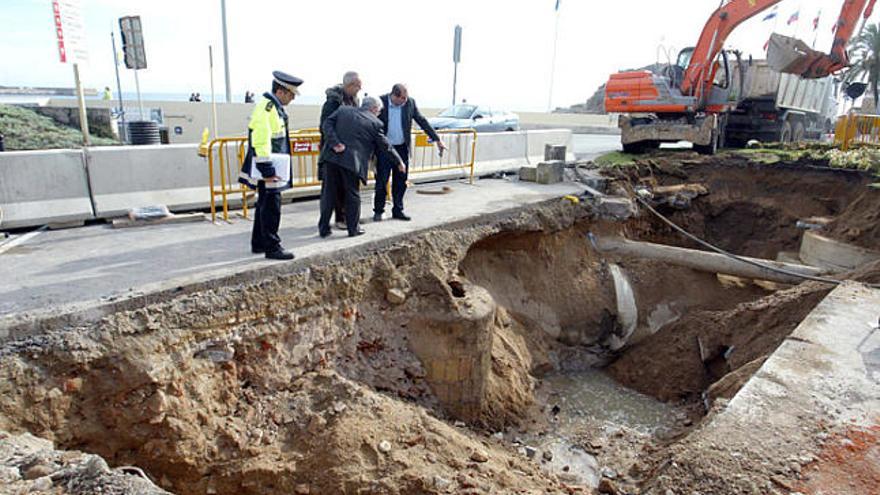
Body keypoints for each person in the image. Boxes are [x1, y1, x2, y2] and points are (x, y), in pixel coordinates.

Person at [238, 70, 303, 260]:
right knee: (271, 207)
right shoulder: (266, 108)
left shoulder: (272, 108)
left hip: (272, 165)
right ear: (281, 91)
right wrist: (267, 170)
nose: (292, 98)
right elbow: (261, 140)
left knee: (263, 205)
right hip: (269, 167)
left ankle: (259, 242)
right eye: (291, 94)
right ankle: (272, 247)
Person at [318, 96, 404, 238]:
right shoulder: (375, 123)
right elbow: (386, 146)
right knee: (352, 195)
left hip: (331, 158)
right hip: (352, 163)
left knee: (329, 194)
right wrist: (399, 161)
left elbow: (326, 124)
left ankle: (324, 228)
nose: (379, 114)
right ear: (374, 109)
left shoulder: (343, 110)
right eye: (379, 111)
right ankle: (353, 229)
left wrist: (335, 143)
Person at [375, 83, 447, 221]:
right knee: (382, 181)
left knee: (401, 181)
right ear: (394, 95)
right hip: (384, 149)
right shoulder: (380, 102)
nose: (405, 101)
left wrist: (437, 139)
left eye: (406, 97)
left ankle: (398, 210)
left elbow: (421, 120)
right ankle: (379, 210)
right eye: (402, 98)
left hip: (402, 148)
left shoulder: (410, 103)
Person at [320, 71, 362, 230]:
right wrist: (336, 143)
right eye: (357, 87)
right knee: (332, 190)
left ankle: (343, 218)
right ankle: (332, 221)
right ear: (350, 85)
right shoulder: (333, 103)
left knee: (345, 189)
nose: (359, 90)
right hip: (334, 152)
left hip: (348, 152)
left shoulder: (353, 101)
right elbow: (325, 126)